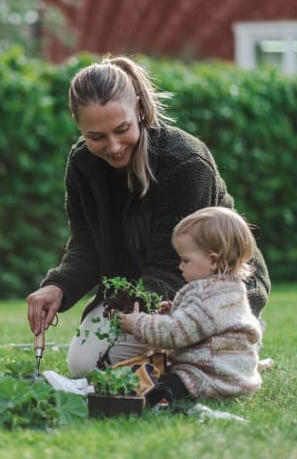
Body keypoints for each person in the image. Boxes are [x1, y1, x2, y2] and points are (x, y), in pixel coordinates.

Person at [26, 55, 270, 378]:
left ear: (139, 109)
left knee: (143, 365)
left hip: (208, 288)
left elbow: (172, 266)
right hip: (132, 290)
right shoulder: (83, 166)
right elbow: (86, 246)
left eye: (122, 129)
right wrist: (58, 287)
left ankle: (230, 342)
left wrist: (136, 316)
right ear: (79, 127)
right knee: (84, 365)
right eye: (96, 136)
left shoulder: (184, 163)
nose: (113, 147)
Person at [119, 206, 263, 400]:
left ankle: (158, 395)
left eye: (185, 260)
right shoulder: (230, 289)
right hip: (233, 374)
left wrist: (138, 323)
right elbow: (200, 323)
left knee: (168, 382)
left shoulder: (206, 294)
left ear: (213, 261)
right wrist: (175, 310)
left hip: (210, 375)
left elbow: (176, 333)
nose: (180, 266)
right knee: (162, 373)